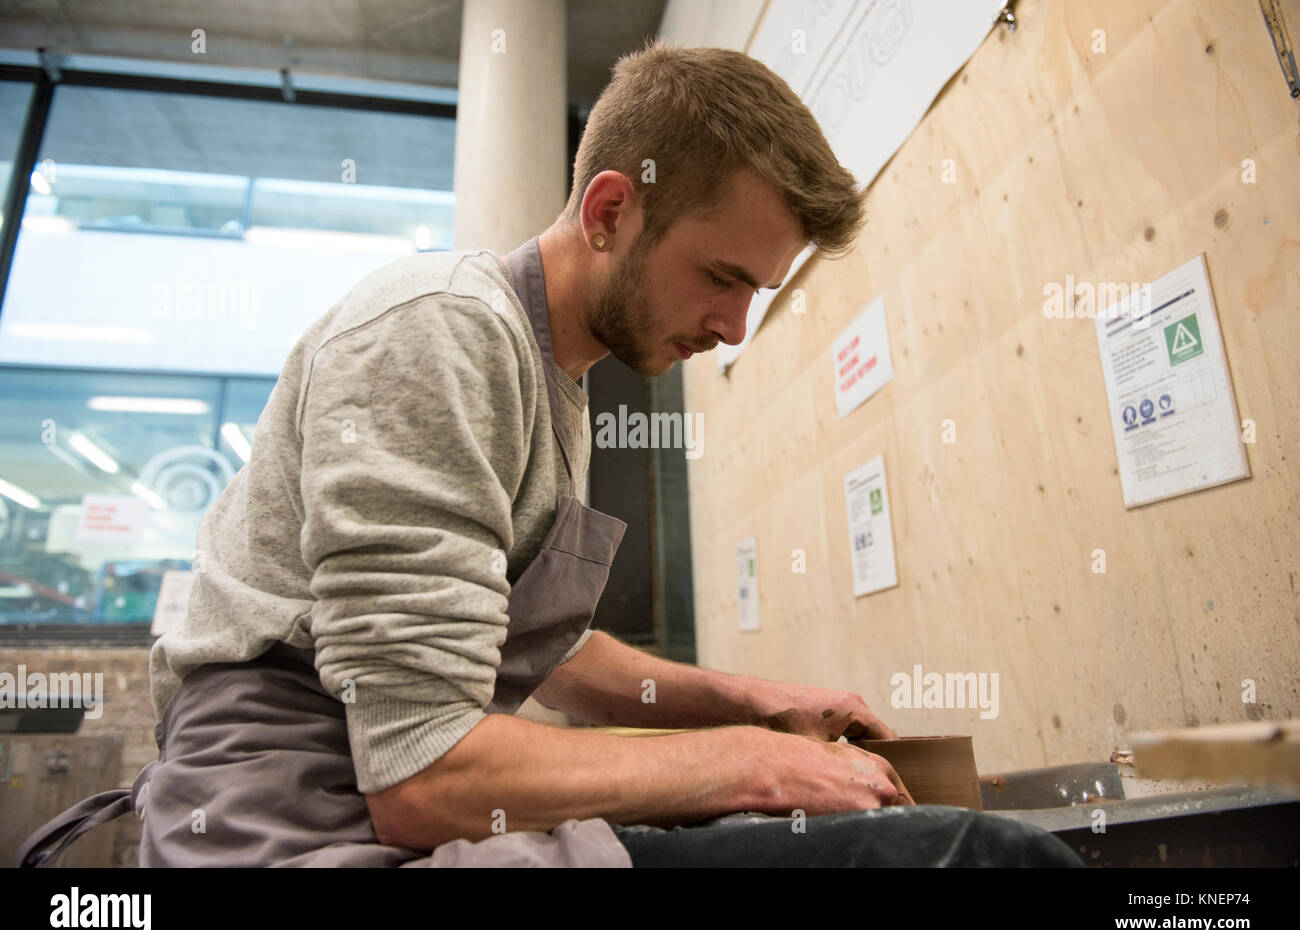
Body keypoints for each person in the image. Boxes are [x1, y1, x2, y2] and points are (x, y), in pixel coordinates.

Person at [17, 39, 1082, 868]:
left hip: (397, 803)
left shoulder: (553, 383)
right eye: (723, 277)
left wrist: (751, 705)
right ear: (612, 209)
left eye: (754, 291)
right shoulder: (437, 334)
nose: (733, 330)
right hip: (302, 829)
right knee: (975, 858)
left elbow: (528, 645)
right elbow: (423, 774)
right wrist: (752, 764)